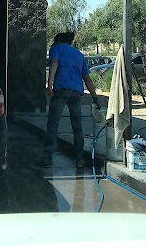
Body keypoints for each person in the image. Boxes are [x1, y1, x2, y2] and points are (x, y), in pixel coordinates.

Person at [35, 32, 100, 169]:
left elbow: (54, 63)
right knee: (77, 127)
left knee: (53, 125)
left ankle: (47, 158)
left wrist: (50, 84)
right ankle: (80, 160)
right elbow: (87, 79)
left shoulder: (56, 48)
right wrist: (95, 97)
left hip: (61, 89)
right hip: (76, 92)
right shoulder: (78, 54)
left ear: (57, 40)